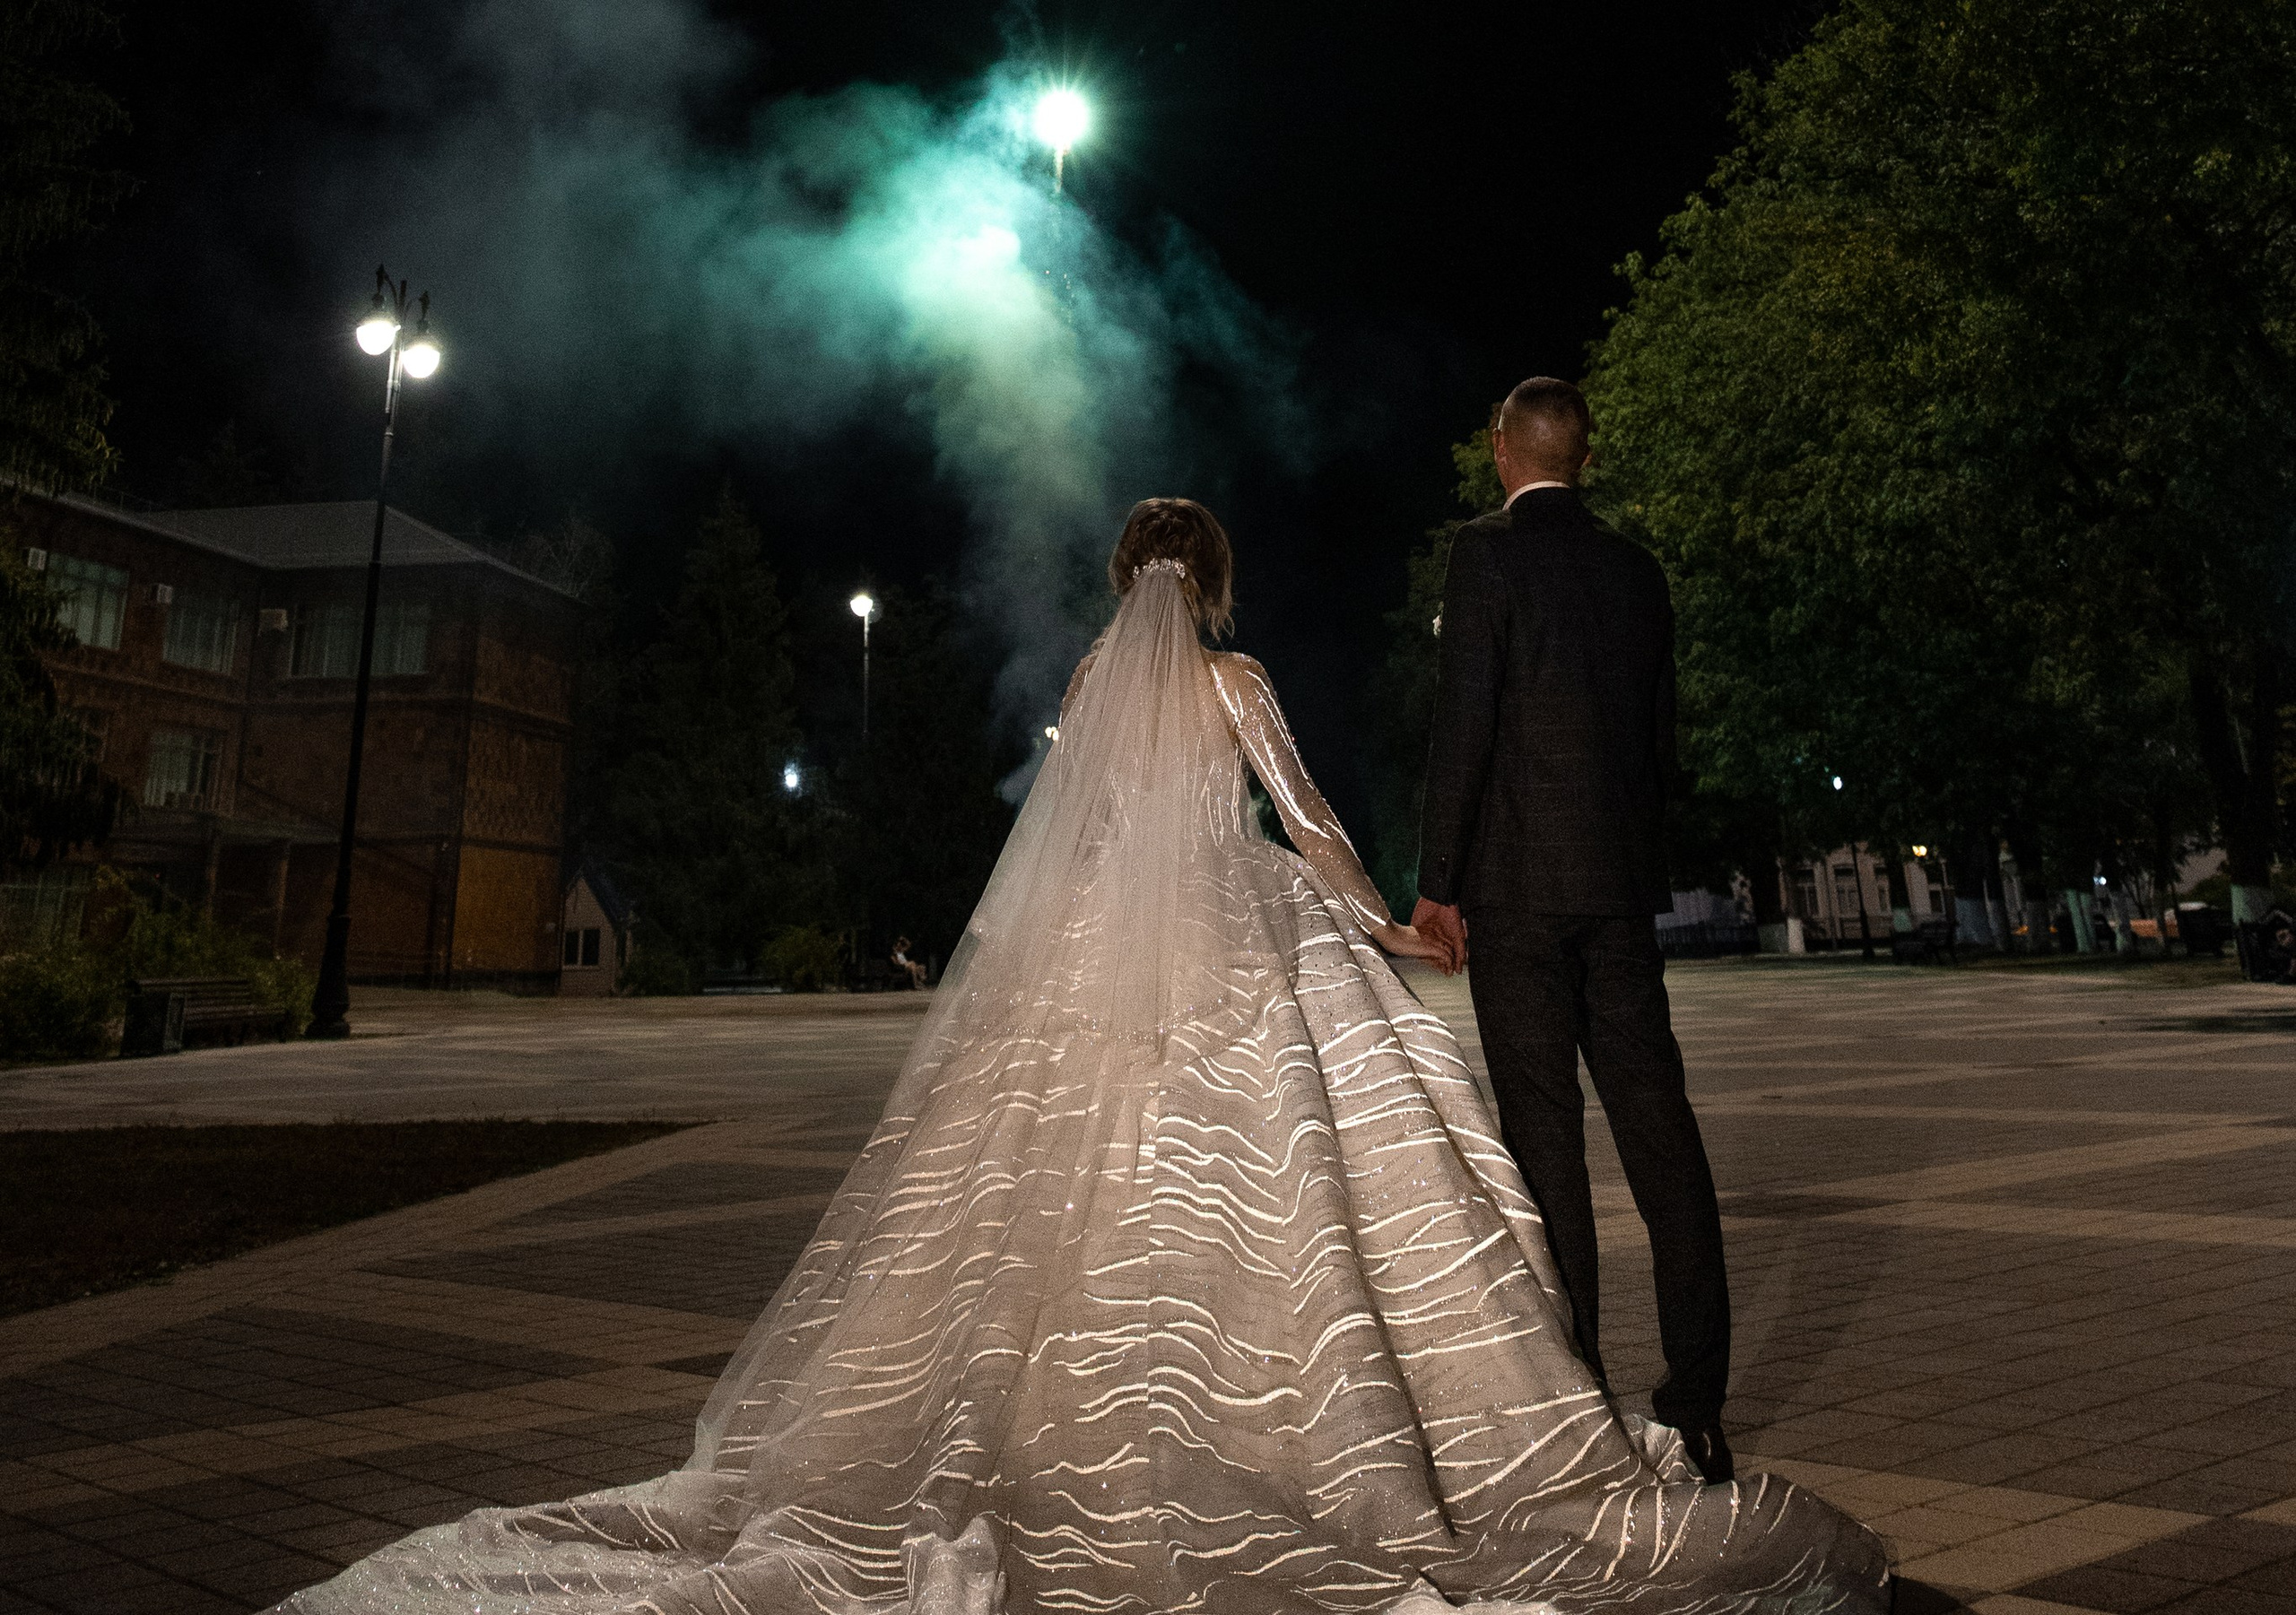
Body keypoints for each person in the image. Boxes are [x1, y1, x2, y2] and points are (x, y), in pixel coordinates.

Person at [283, 498, 1881, 1615]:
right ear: (1214, 580)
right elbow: (1305, 821)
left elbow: (1082, 831)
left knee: (1049, 1194)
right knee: (1308, 1182)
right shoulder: (1239, 679)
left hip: (1096, 963)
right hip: (1244, 940)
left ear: (1128, 580)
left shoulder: (1091, 685)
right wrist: (1396, 920)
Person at [1413, 378, 1735, 1476]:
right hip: (1615, 891)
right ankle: (1697, 1406)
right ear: (1582, 455)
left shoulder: (1484, 554)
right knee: (1661, 1133)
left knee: (1543, 1140)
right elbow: (1659, 743)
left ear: (1503, 449)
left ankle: (1577, 1397)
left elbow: (1468, 719)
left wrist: (1436, 880)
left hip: (1515, 888)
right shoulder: (1637, 571)